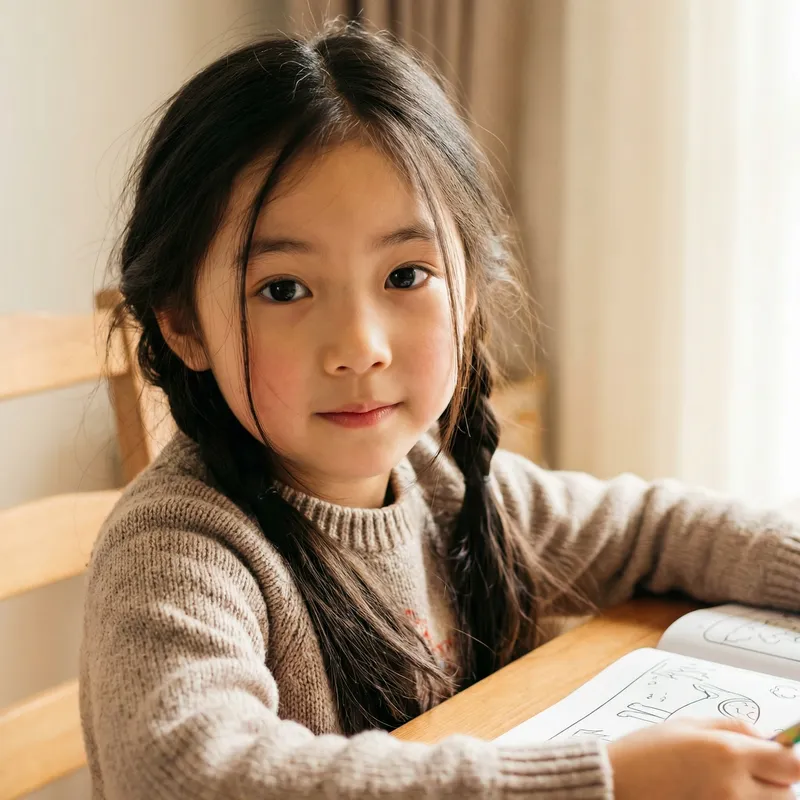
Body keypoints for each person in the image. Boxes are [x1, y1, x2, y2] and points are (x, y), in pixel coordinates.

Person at [80, 20, 800, 800]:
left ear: (472, 289)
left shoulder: (443, 481)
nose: (360, 347)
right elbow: (192, 775)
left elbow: (650, 530)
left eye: (406, 275)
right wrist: (604, 782)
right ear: (183, 324)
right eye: (284, 289)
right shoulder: (179, 547)